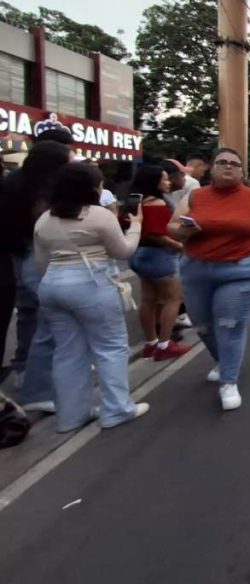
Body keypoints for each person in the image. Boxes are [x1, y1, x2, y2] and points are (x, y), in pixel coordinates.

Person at [34, 162, 150, 431]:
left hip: (51, 286)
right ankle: (117, 409)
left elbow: (41, 262)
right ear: (92, 188)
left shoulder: (44, 218)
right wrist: (135, 227)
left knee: (67, 352)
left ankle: (71, 416)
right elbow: (123, 251)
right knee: (110, 347)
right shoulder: (98, 215)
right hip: (91, 284)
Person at [168, 148, 250, 411]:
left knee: (229, 324)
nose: (228, 167)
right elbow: (172, 229)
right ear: (212, 168)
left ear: (242, 172)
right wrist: (184, 229)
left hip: (241, 272)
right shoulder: (195, 196)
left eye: (234, 164)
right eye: (222, 162)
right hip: (196, 270)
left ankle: (228, 380)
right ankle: (224, 361)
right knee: (202, 326)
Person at [2, 140, 73, 410]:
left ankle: (24, 369)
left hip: (16, 255)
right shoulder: (46, 193)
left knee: (31, 315)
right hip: (37, 255)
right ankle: (39, 388)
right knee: (49, 322)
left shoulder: (13, 182)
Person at [128, 165, 190, 361]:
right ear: (153, 182)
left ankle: (151, 343)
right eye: (164, 179)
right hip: (159, 256)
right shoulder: (156, 203)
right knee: (174, 298)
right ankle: (164, 344)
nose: (168, 182)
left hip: (139, 254)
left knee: (148, 300)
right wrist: (180, 246)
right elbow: (157, 235)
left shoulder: (136, 201)